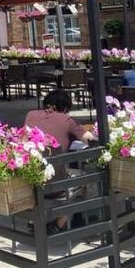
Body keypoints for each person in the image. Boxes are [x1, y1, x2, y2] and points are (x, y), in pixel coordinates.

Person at [24, 89, 92, 233]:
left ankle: (33, 220)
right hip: (56, 186)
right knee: (86, 178)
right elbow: (90, 139)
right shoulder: (67, 120)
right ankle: (60, 223)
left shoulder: (30, 115)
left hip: (30, 182)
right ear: (66, 108)